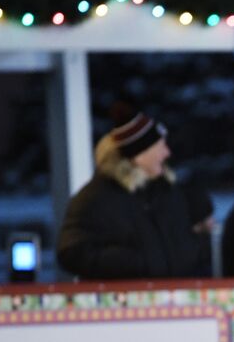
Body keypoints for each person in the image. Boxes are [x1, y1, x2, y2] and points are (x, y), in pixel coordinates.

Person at [56, 107, 207, 280]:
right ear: (139, 155)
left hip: (175, 302)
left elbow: (186, 246)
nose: (167, 153)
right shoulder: (94, 199)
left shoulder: (167, 192)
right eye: (160, 146)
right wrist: (136, 262)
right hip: (121, 304)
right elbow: (71, 253)